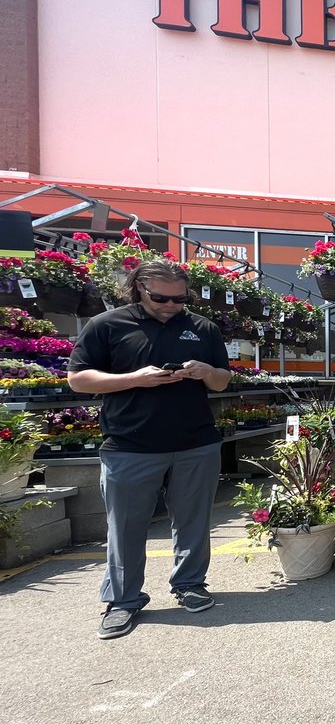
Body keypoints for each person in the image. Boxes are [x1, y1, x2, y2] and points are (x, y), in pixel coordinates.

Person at [67, 259, 232, 640]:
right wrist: (134, 379)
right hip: (130, 444)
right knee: (125, 526)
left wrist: (205, 371)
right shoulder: (108, 325)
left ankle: (190, 584)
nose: (171, 305)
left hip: (196, 441)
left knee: (193, 521)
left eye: (180, 298)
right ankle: (123, 601)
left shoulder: (202, 327)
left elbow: (223, 381)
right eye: (161, 298)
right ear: (138, 288)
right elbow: (79, 378)